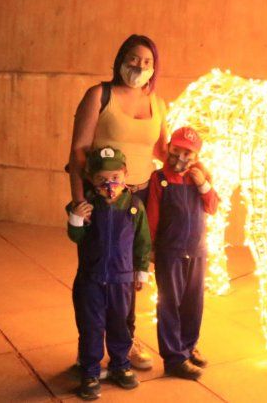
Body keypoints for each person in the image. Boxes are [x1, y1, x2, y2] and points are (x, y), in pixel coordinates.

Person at [67, 34, 167, 370]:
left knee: (130, 275)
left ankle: (125, 345)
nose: (139, 66)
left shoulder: (159, 104)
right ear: (121, 59)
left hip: (139, 198)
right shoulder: (100, 95)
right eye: (133, 59)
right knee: (94, 274)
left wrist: (196, 162)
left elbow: (163, 151)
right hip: (103, 198)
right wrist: (79, 202)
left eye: (147, 62)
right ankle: (90, 348)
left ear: (155, 67)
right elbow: (79, 150)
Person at [67, 146, 151, 401]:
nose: (109, 183)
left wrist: (141, 270)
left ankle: (120, 365)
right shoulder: (88, 205)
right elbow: (76, 237)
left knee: (120, 326)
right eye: (102, 179)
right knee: (91, 326)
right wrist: (76, 219)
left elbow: (142, 241)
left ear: (125, 175)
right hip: (91, 280)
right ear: (92, 179)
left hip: (121, 280)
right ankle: (91, 371)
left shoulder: (134, 206)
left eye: (115, 177)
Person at [144, 126, 218, 380]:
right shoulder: (159, 179)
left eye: (188, 153)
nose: (181, 158)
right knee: (169, 304)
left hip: (196, 250)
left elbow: (213, 207)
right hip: (170, 252)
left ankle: (188, 346)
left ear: (196, 156)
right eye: (176, 150)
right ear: (169, 148)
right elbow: (152, 217)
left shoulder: (200, 175)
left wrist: (203, 185)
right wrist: (150, 249)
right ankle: (174, 357)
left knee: (193, 302)